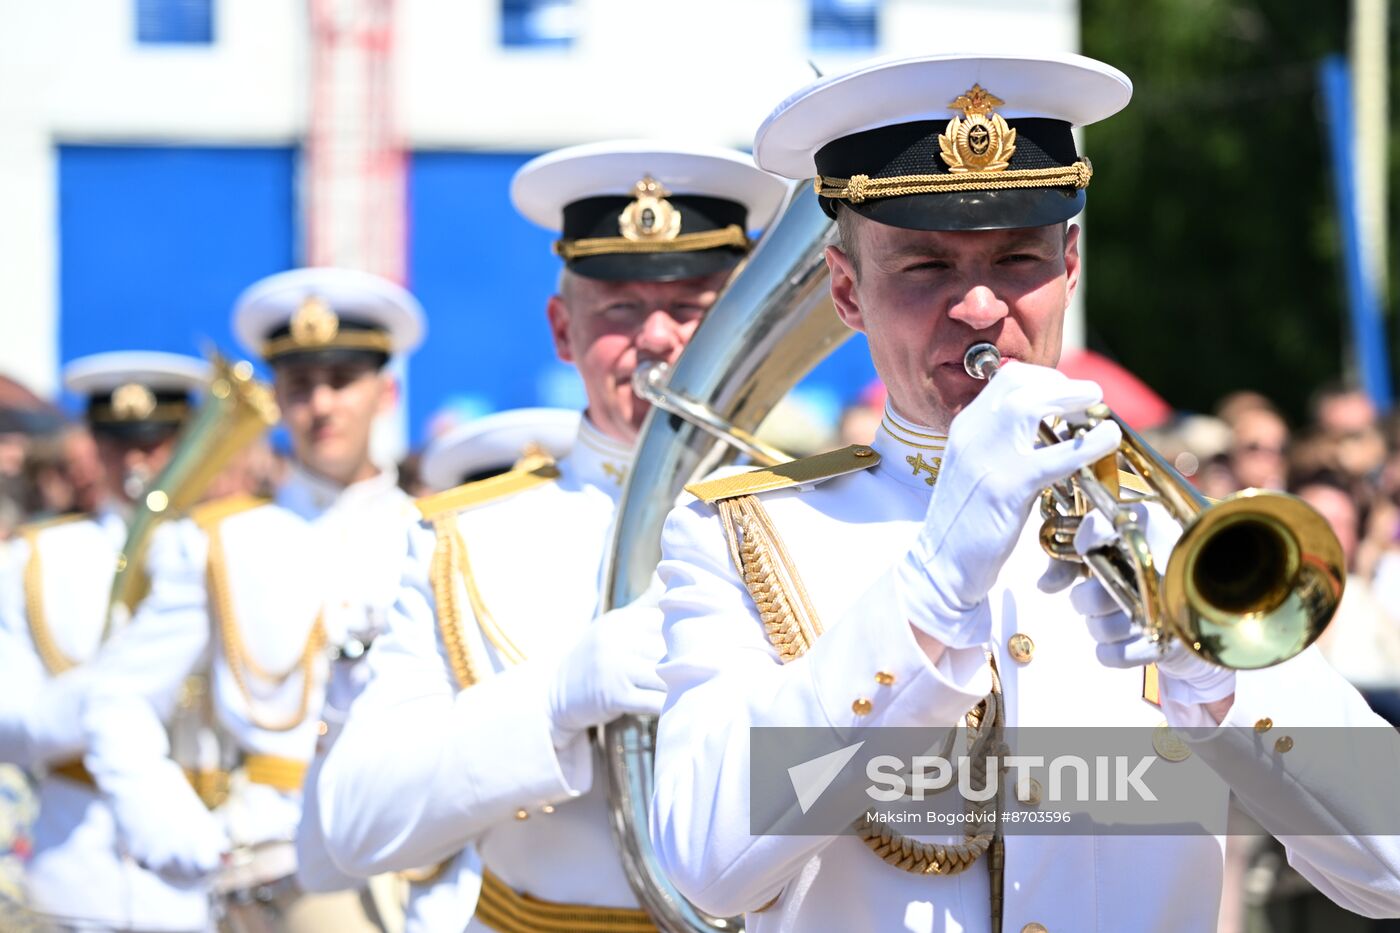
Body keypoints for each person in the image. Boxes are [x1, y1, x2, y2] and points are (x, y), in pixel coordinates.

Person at [649, 52, 1400, 932]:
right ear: (847, 291)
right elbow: (706, 864)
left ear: (1070, 264)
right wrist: (928, 587)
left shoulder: (1168, 527)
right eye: (924, 266)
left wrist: (1229, 695)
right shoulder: (746, 530)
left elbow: (1389, 869)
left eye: (1017, 259)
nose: (978, 306)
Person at [316, 140, 786, 932]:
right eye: (622, 312)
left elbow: (885, 792)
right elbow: (356, 822)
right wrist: (551, 697)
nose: (660, 339)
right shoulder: (463, 535)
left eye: (693, 308)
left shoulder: (814, 508)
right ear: (563, 330)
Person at [76, 268, 425, 932]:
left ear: (386, 390)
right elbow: (116, 696)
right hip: (274, 865)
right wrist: (161, 812)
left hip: (417, 855)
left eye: (342, 380)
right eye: (299, 386)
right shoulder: (218, 542)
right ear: (277, 399)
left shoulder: (439, 535)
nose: (321, 405)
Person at [0, 351, 208, 930]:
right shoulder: (34, 558)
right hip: (74, 872)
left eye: (157, 441)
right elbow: (9, 724)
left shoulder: (224, 551)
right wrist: (114, 695)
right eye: (117, 443)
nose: (137, 461)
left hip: (200, 867)